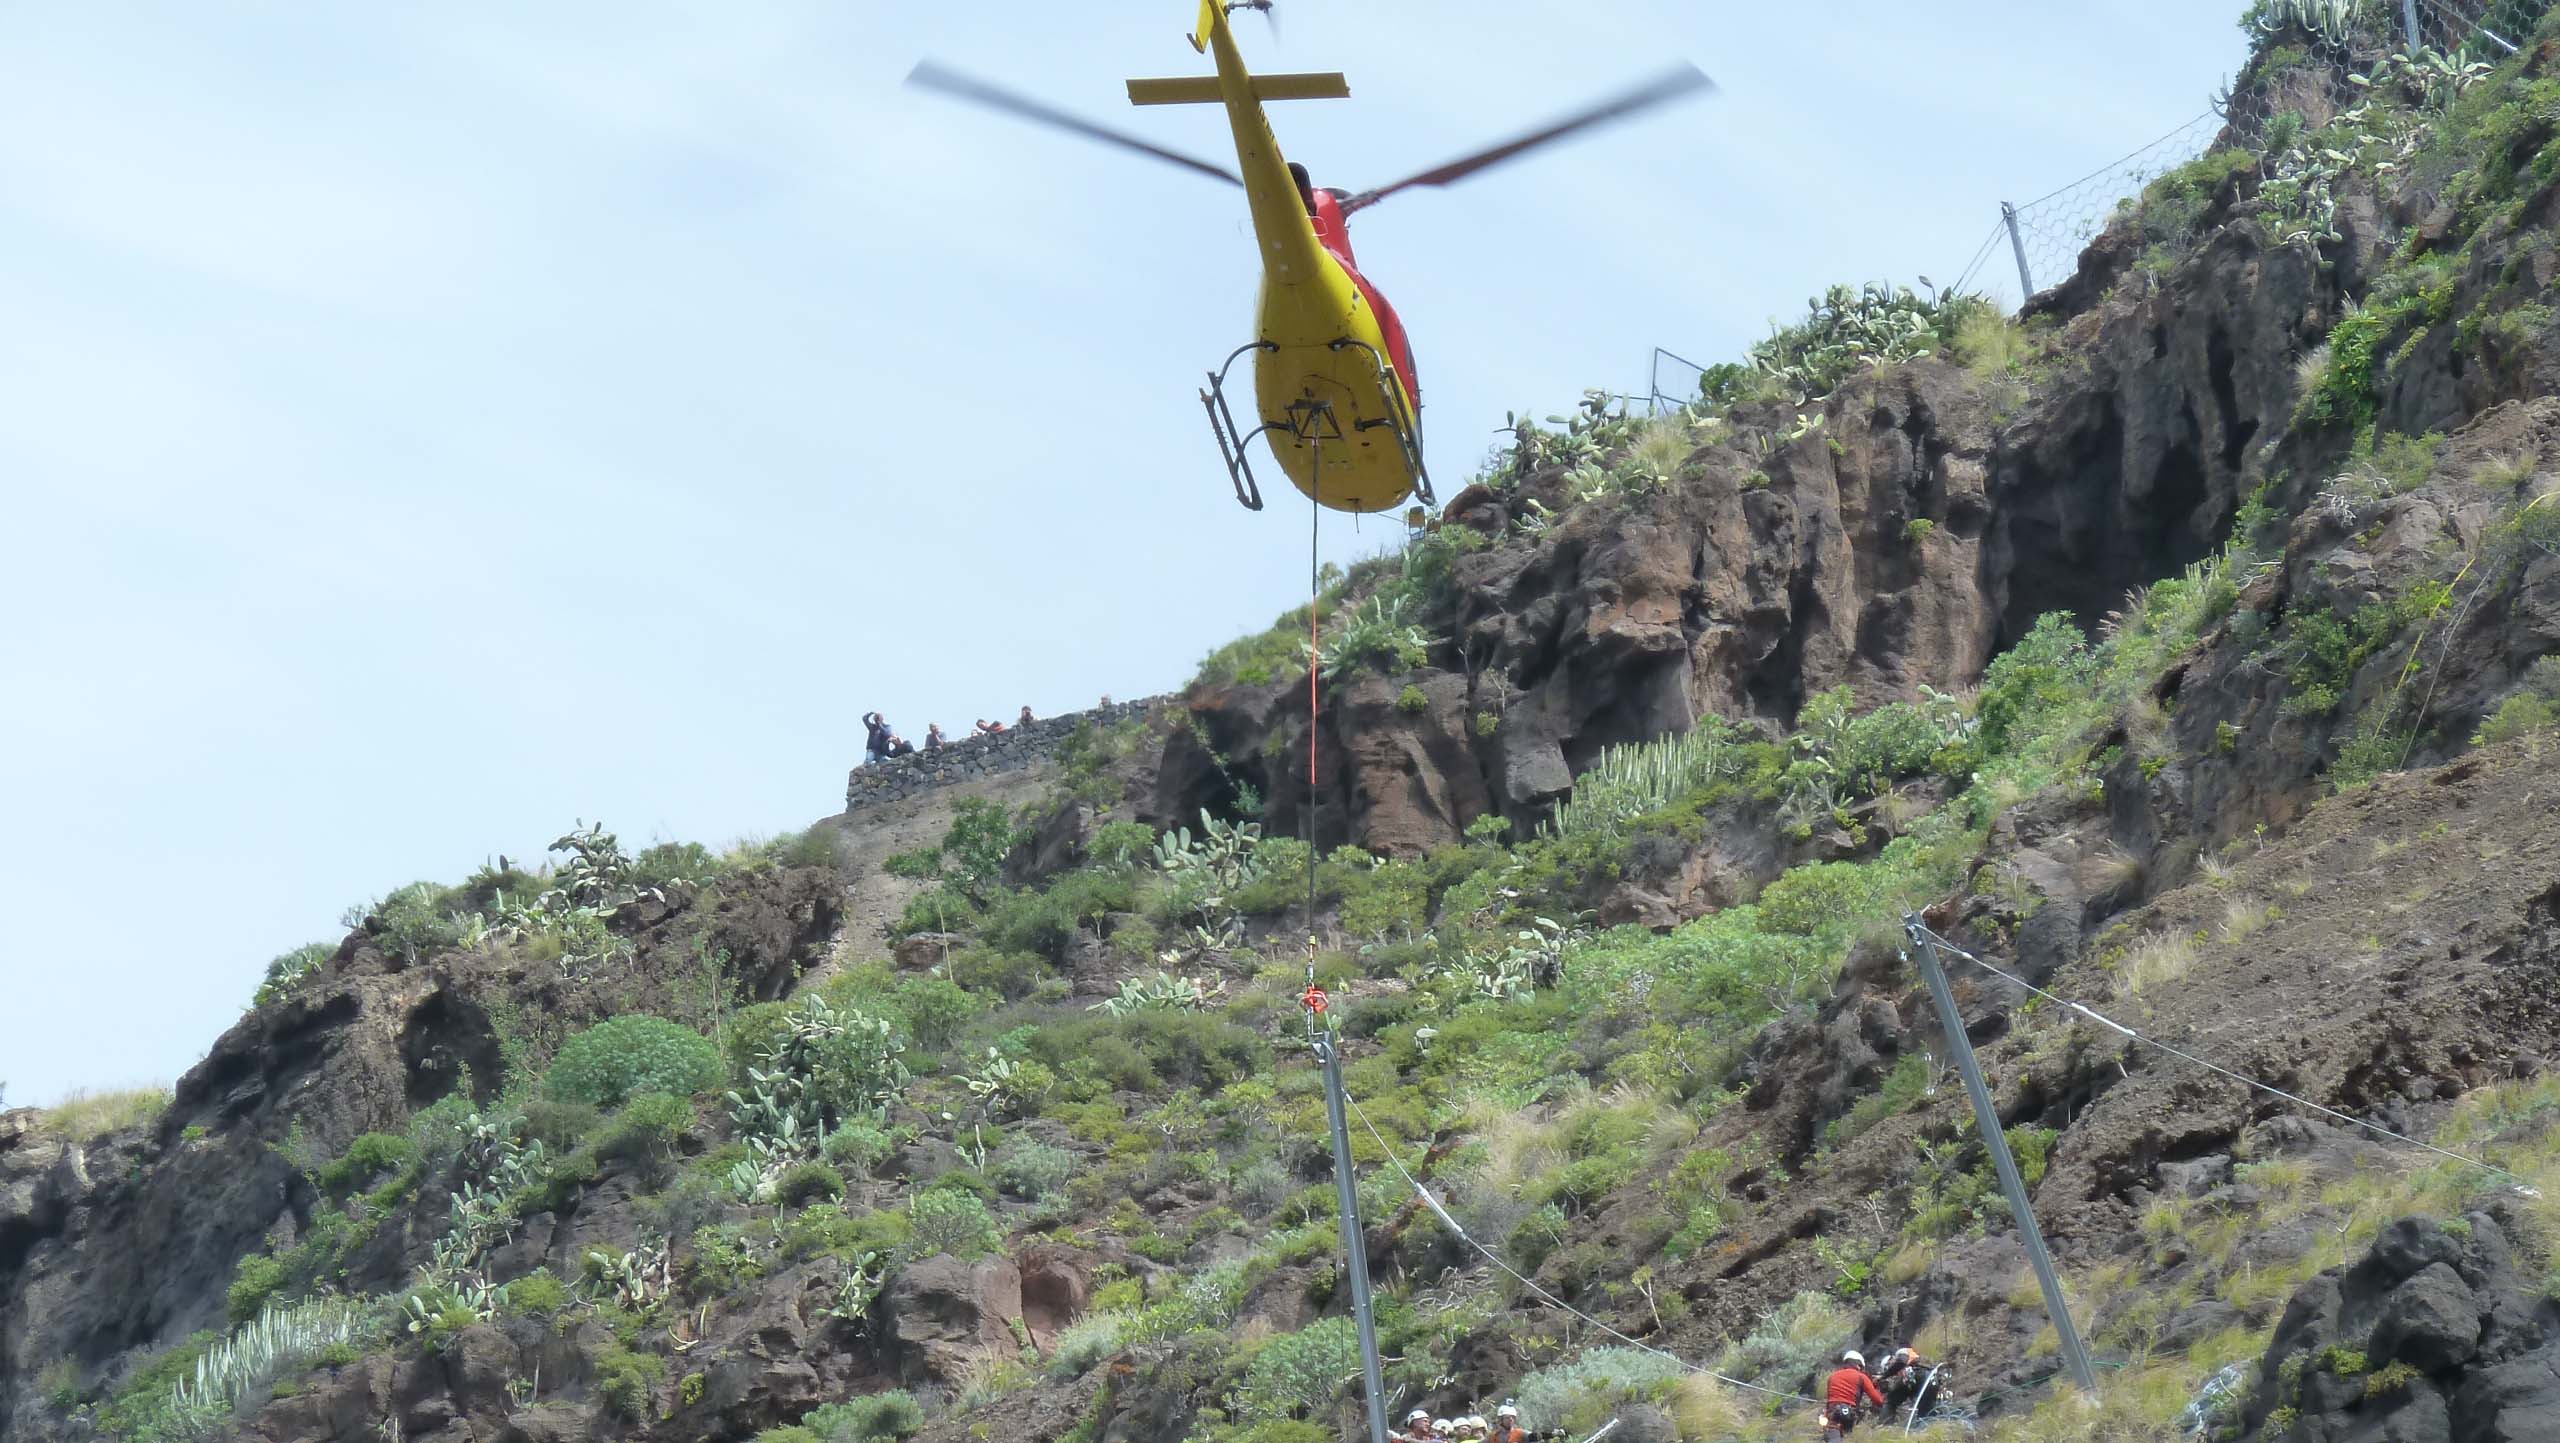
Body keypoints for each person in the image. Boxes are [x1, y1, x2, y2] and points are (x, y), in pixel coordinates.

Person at [1823, 1352, 1886, 1441]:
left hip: (1832, 1411)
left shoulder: (1833, 1376)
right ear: (1858, 1365)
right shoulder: (1861, 1377)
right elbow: (1878, 1400)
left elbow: (1829, 1398)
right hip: (1849, 1412)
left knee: (1832, 1434)